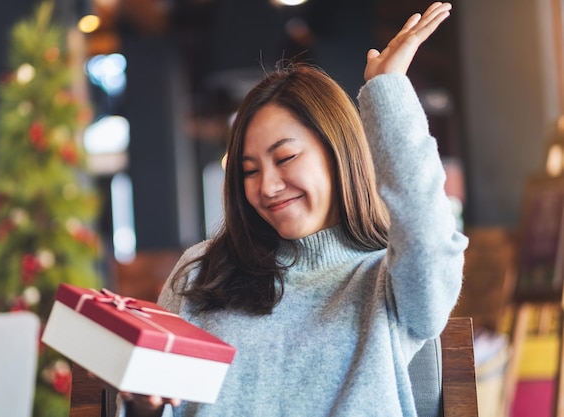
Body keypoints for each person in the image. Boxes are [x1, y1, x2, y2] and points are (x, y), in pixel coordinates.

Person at [119, 2, 468, 416]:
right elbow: (160, 403)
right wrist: (145, 405)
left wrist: (387, 91)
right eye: (249, 171)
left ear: (337, 156)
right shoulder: (200, 273)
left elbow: (427, 237)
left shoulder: (389, 280)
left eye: (285, 159)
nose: (267, 186)